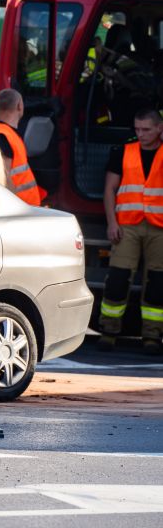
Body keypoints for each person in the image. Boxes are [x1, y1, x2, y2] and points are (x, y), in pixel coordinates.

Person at [100, 108, 163, 355]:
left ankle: (152, 336)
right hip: (127, 225)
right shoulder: (123, 152)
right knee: (117, 278)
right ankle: (108, 331)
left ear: (159, 128)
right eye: (137, 129)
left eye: (146, 129)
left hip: (159, 227)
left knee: (158, 283)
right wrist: (111, 223)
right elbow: (109, 190)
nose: (141, 134)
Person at [0, 88, 46, 206]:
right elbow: (3, 177)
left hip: (26, 208)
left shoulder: (4, 132)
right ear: (19, 106)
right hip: (20, 209)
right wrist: (16, 207)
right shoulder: (3, 136)